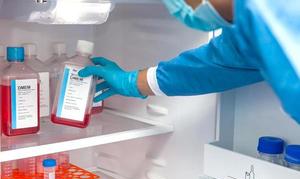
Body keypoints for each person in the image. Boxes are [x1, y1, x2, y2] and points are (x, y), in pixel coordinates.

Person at [79, 0, 300, 123]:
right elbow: (214, 65)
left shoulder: (274, 8)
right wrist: (131, 82)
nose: (177, 9)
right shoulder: (248, 26)